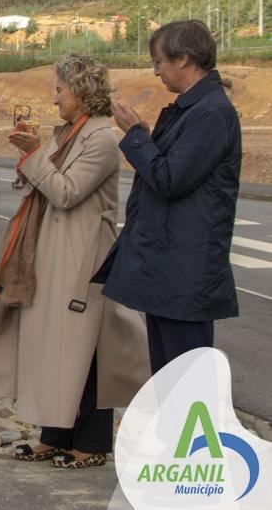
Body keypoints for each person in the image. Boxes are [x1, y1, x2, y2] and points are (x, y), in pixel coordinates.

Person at [0, 53, 149, 469]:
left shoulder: (103, 140)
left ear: (81, 92)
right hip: (52, 254)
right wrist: (29, 157)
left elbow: (67, 192)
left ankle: (91, 444)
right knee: (54, 348)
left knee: (85, 351)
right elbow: (40, 183)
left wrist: (35, 154)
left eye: (59, 89)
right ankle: (54, 436)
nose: (54, 99)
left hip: (81, 258)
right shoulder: (68, 133)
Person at [100, 20, 241, 373]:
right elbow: (168, 168)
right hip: (171, 272)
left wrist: (134, 135)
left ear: (183, 59)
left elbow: (169, 179)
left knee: (186, 388)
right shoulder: (194, 109)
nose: (156, 72)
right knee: (169, 383)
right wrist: (144, 136)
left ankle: (188, 432)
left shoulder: (210, 113)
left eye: (158, 61)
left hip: (183, 274)